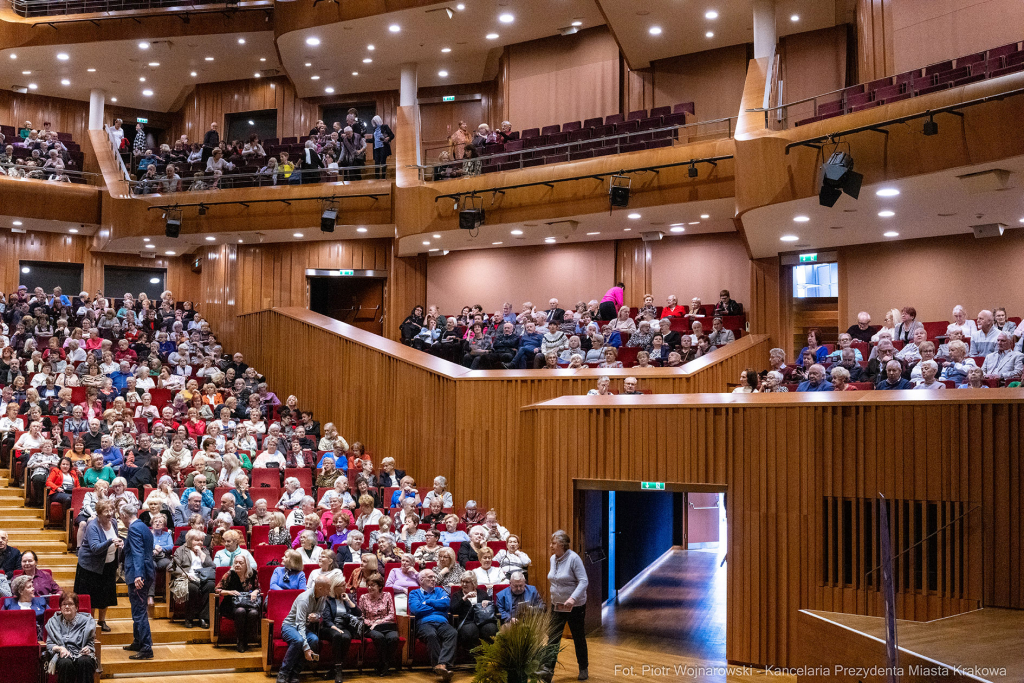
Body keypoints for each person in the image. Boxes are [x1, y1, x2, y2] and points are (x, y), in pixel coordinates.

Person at [541, 530, 589, 682]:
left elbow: (584, 581)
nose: (551, 546)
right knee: (553, 637)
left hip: (575, 606)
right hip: (558, 605)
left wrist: (572, 599)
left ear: (562, 544)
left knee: (578, 637)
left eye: (553, 543)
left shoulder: (574, 559)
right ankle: (548, 670)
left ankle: (583, 667)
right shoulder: (553, 559)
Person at [74, 499, 122, 632]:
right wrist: (111, 541)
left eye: (111, 510)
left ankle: (102, 621)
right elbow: (95, 548)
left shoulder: (113, 522)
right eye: (106, 511)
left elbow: (115, 539)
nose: (109, 513)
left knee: (105, 594)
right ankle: (90, 623)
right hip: (90, 567)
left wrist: (118, 544)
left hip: (108, 564)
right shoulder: (92, 526)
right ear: (99, 513)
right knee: (92, 596)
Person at [276, 576, 332, 683]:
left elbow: (320, 613)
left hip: (303, 627)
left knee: (314, 639)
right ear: (320, 588)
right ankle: (283, 673)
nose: (330, 590)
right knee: (298, 641)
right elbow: (299, 625)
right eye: (328, 587)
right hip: (289, 626)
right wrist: (306, 649)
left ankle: (295, 673)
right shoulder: (304, 599)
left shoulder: (323, 597)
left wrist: (316, 616)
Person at [409, 568, 457, 681]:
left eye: (434, 577)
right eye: (430, 577)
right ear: (421, 580)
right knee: (431, 635)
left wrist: (428, 602)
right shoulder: (414, 593)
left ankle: (442, 665)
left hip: (442, 622)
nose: (433, 579)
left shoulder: (440, 591)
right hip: (424, 623)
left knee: (452, 633)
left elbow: (445, 604)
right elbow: (416, 609)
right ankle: (439, 666)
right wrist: (437, 608)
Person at [121, 504, 155, 659]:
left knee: (139, 612)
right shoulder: (143, 526)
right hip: (146, 571)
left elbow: (138, 553)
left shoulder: (134, 528)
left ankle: (146, 648)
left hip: (138, 574)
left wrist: (138, 575)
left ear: (124, 515)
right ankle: (138, 641)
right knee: (137, 609)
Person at [45, 592, 97, 683]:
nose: (67, 606)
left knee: (85, 662)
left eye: (70, 604)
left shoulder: (87, 622)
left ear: (77, 607)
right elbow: (49, 644)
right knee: (65, 663)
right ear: (60, 608)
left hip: (81, 653)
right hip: (62, 654)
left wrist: (88, 649)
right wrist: (60, 648)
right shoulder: (53, 622)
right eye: (64, 604)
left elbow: (90, 642)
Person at [216, 554, 261, 653]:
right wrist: (228, 592)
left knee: (253, 613)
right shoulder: (229, 574)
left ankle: (246, 640)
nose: (237, 565)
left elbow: (258, 588)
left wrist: (255, 591)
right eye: (236, 562)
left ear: (246, 564)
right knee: (240, 611)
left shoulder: (253, 573)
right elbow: (217, 590)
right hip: (231, 605)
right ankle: (240, 641)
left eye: (241, 563)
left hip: (249, 604)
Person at [171, 529, 215, 629]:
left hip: (203, 577)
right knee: (192, 588)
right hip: (185, 577)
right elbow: (172, 567)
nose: (200, 543)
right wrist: (185, 574)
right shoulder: (181, 550)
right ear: (189, 540)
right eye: (196, 540)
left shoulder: (204, 551)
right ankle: (189, 617)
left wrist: (202, 556)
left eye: (201, 540)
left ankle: (203, 618)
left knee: (211, 586)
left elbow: (212, 566)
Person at [320, 575, 361, 683]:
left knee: (347, 637)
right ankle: (338, 671)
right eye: (342, 585)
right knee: (337, 635)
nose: (345, 587)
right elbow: (326, 620)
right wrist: (335, 628)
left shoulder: (348, 597)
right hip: (330, 627)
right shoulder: (327, 599)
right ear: (335, 587)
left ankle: (334, 669)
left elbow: (358, 613)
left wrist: (348, 600)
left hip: (344, 627)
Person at [358, 572, 400, 677]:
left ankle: (383, 663)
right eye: (368, 585)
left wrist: (378, 622)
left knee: (394, 638)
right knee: (379, 637)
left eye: (373, 585)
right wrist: (372, 623)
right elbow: (360, 617)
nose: (369, 587)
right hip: (370, 627)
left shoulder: (387, 595)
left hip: (386, 626)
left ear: (380, 586)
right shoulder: (363, 597)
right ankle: (385, 664)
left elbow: (391, 614)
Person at [451, 572, 498, 651]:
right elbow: (453, 610)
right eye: (462, 581)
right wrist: (464, 598)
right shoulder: (457, 595)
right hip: (466, 621)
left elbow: (494, 608)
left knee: (491, 629)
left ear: (473, 583)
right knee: (470, 631)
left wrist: (488, 602)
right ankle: (471, 657)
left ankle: (489, 654)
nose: (464, 584)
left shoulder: (482, 593)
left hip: (483, 621)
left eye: (467, 582)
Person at [3, 574, 48, 639]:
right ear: (21, 591)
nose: (33, 589)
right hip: (14, 637)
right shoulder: (9, 603)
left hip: (37, 638)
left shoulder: (41, 601)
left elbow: (51, 619)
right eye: (29, 587)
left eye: (32, 586)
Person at [369, 115, 395, 180]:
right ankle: (377, 177)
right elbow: (373, 140)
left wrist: (388, 138)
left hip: (383, 147)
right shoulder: (374, 129)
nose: (374, 123)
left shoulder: (385, 127)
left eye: (375, 121)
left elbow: (392, 135)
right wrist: (365, 140)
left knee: (383, 162)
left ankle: (383, 177)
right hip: (376, 148)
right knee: (376, 162)